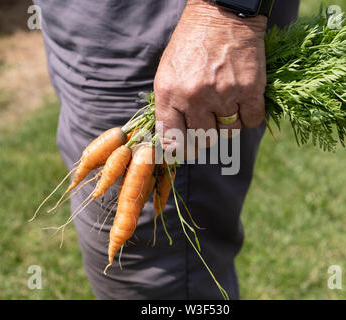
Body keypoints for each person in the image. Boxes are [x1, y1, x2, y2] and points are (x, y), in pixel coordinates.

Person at [35, 0, 300, 299]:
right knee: (117, 245)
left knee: (151, 266)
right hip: (81, 22)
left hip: (163, 25)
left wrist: (224, 13)